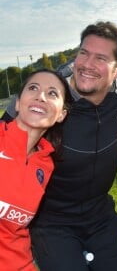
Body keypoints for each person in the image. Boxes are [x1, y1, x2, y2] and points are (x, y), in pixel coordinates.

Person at [1, 22, 117, 270]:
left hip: (100, 215)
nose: (86, 64)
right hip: (51, 221)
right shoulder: (48, 97)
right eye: (83, 53)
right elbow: (6, 137)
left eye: (101, 58)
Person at [0, 69, 72, 270]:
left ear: (61, 115)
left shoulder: (45, 165)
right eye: (33, 88)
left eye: (52, 93)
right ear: (17, 102)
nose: (41, 96)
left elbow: (16, 230)